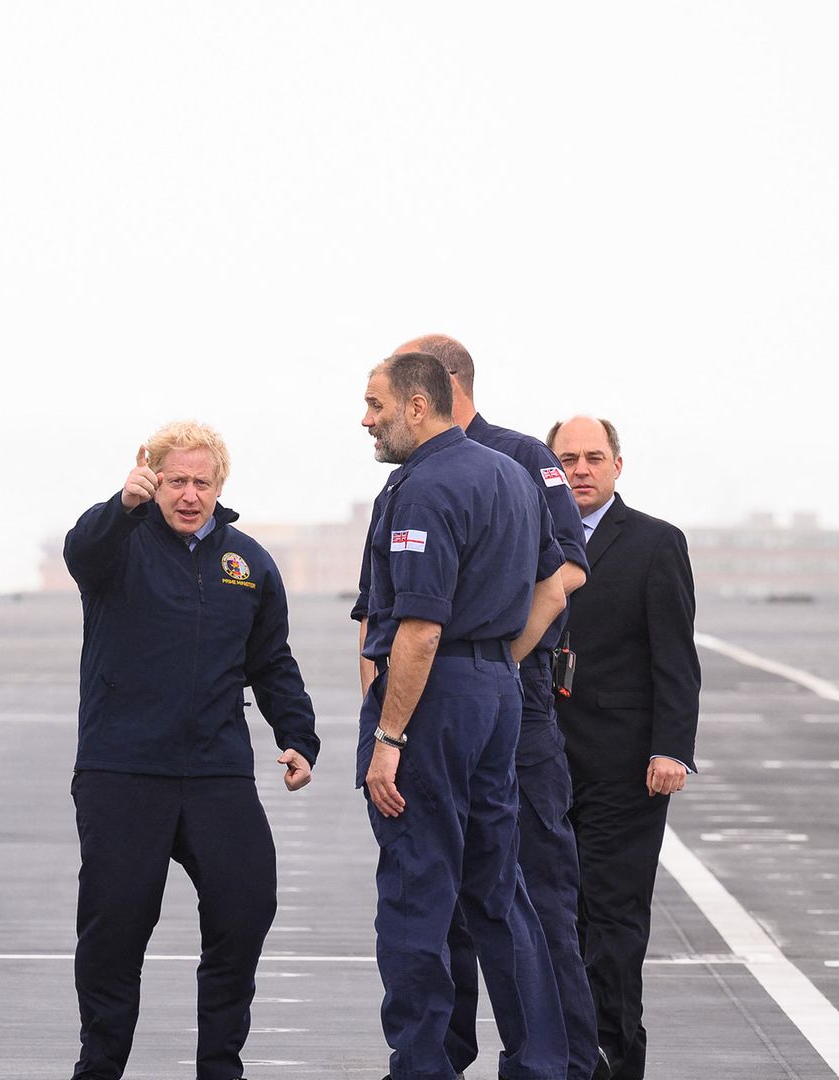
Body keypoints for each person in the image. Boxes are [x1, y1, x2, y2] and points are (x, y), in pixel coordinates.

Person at [62, 421, 319, 1080]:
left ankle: (219, 1066)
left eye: (201, 482)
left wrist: (297, 736)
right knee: (115, 932)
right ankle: (100, 1065)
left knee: (246, 908)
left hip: (216, 772)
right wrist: (121, 505)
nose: (188, 494)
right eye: (175, 480)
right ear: (151, 479)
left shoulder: (248, 564)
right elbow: (79, 551)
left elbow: (272, 660)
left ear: (219, 487)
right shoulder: (117, 546)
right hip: (123, 771)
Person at [354, 352, 568, 1080]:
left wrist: (389, 737)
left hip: (433, 700)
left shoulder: (421, 489)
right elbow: (555, 591)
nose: (367, 420)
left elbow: (417, 629)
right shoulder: (510, 475)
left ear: (419, 406)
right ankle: (539, 1062)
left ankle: (421, 1067)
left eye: (376, 404)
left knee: (418, 887)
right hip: (497, 693)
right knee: (500, 887)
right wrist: (498, 662)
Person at [395, 335, 597, 1080]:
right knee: (440, 896)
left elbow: (567, 569)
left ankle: (565, 1064)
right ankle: (443, 1057)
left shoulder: (517, 455)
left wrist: (499, 665)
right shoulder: (415, 472)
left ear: (438, 386)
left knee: (536, 892)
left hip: (510, 691)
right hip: (444, 697)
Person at [545, 416, 700, 1080]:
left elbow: (676, 658)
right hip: (542, 767)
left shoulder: (655, 544)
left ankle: (613, 1063)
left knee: (612, 927)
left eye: (593, 458)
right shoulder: (527, 537)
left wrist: (671, 749)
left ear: (617, 466)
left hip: (624, 772)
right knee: (555, 929)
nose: (580, 470)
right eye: (567, 459)